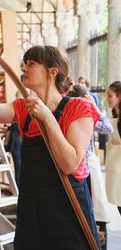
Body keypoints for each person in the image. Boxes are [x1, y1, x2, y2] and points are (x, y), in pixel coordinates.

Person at [0, 45, 101, 250]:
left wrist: (47, 118)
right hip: (32, 211)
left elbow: (69, 164)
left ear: (52, 72)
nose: (24, 69)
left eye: (31, 64)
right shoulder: (24, 108)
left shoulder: (79, 107)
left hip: (67, 210)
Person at [68, 84, 113, 250]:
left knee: (95, 213)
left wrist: (93, 108)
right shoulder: (81, 113)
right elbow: (106, 126)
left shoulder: (86, 113)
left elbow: (107, 128)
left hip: (86, 169)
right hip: (79, 168)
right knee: (90, 213)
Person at [105, 81, 121, 215]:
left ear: (119, 96)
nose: (107, 99)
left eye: (110, 95)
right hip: (116, 167)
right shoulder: (114, 116)